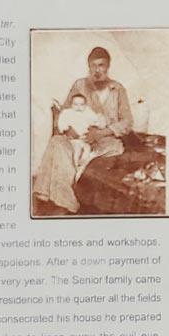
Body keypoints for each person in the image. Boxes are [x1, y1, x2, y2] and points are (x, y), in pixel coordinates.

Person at [33, 46, 134, 214]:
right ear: (88, 66)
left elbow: (128, 121)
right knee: (56, 141)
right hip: (78, 137)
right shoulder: (80, 85)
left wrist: (102, 132)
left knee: (84, 156)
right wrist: (68, 130)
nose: (96, 70)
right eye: (93, 65)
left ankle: (55, 193)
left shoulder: (118, 89)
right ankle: (57, 194)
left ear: (108, 66)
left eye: (101, 65)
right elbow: (64, 111)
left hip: (105, 142)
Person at [55, 92, 105, 180]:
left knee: (87, 149)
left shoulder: (87, 112)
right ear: (71, 105)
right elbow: (61, 121)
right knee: (76, 151)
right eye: (75, 104)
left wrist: (98, 120)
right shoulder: (68, 112)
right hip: (73, 139)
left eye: (82, 104)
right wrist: (64, 128)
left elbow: (95, 120)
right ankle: (73, 168)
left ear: (85, 105)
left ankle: (82, 163)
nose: (78, 107)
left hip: (83, 139)